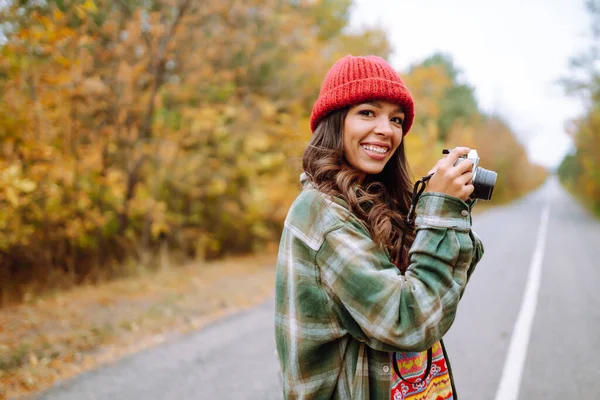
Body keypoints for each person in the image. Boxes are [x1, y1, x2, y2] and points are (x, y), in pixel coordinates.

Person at [274, 55, 484, 400]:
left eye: (396, 119)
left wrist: (444, 206)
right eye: (367, 113)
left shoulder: (379, 203)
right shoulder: (320, 213)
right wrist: (441, 212)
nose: (386, 130)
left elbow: (440, 293)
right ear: (335, 121)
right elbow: (408, 321)